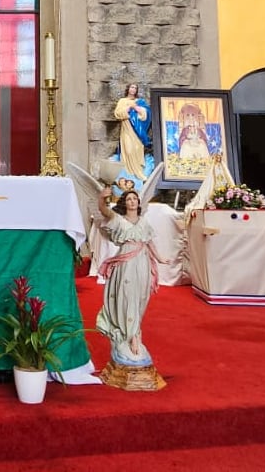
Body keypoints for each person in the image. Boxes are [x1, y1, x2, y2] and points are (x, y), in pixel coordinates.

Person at [95, 186, 169, 391]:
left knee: (140, 298)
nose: (132, 201)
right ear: (124, 203)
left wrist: (160, 258)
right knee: (127, 298)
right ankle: (132, 337)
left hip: (143, 262)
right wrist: (102, 198)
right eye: (128, 199)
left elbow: (149, 242)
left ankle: (135, 333)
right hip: (127, 264)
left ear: (139, 202)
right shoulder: (119, 221)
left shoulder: (144, 222)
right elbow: (104, 211)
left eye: (135, 198)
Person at [113, 83, 150, 180]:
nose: (133, 89)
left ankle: (138, 173)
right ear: (128, 89)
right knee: (128, 150)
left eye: (135, 88)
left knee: (137, 149)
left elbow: (146, 115)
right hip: (127, 129)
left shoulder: (139, 102)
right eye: (132, 87)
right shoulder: (122, 101)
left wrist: (136, 108)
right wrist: (129, 108)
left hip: (137, 132)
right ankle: (128, 173)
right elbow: (117, 114)